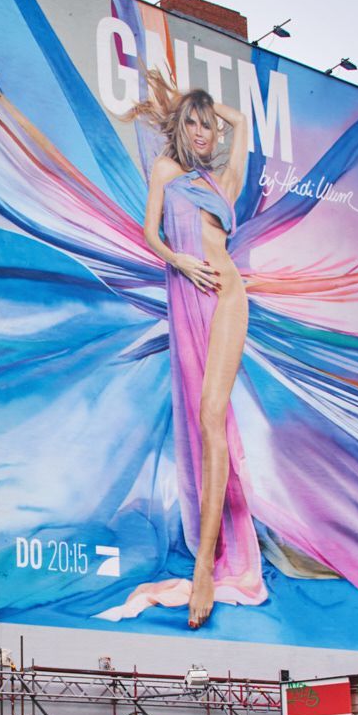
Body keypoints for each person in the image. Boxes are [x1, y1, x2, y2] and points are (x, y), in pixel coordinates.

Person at [96, 69, 259, 631]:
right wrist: (181, 261)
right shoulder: (167, 171)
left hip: (230, 295)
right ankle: (208, 558)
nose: (201, 132)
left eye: (207, 125)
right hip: (191, 291)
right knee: (203, 421)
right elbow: (150, 233)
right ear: (179, 130)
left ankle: (208, 569)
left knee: (214, 417)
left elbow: (244, 127)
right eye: (191, 123)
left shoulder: (226, 182)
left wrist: (214, 110)